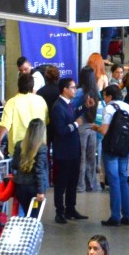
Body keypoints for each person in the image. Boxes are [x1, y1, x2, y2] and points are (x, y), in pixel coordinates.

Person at [97, 85, 129, 227]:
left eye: (105, 96)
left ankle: (115, 216)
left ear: (110, 96)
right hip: (125, 149)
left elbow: (104, 131)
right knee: (123, 179)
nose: (104, 98)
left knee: (114, 181)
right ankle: (127, 216)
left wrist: (95, 127)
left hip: (111, 149)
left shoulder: (109, 108)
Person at [50, 77, 90, 224]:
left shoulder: (69, 105)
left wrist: (84, 107)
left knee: (73, 181)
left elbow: (73, 116)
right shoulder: (57, 107)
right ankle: (59, 211)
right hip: (63, 152)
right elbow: (61, 130)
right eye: (72, 87)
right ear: (64, 89)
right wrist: (75, 124)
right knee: (61, 183)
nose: (75, 90)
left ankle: (70, 208)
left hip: (73, 150)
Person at [0, 72, 49, 149]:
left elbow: (5, 125)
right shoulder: (41, 100)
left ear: (18, 85)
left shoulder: (12, 102)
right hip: (38, 145)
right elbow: (46, 121)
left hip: (18, 147)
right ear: (32, 86)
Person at [12, 118, 49, 216]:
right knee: (34, 216)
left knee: (25, 213)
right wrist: (41, 191)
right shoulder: (42, 147)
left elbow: (14, 165)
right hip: (35, 188)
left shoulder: (19, 145)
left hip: (20, 186)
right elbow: (39, 170)